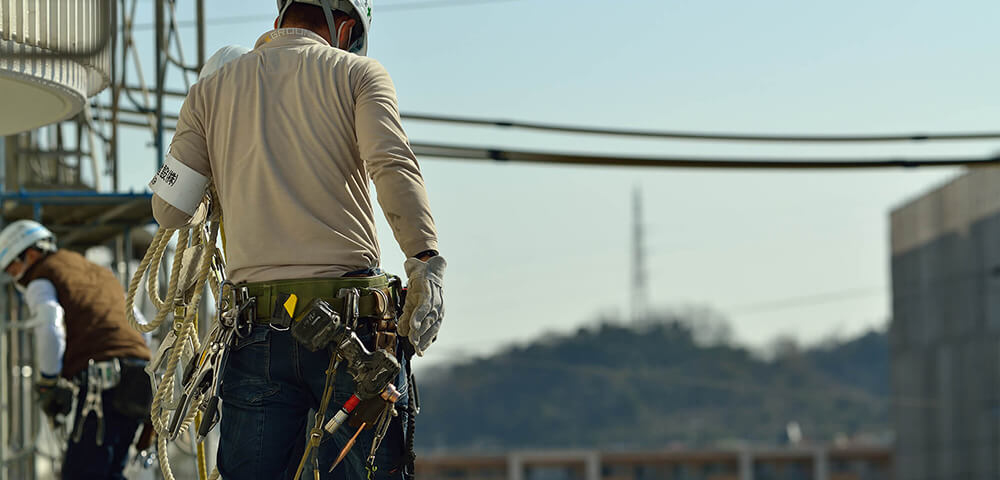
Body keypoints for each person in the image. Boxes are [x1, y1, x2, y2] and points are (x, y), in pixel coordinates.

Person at [148, 0, 446, 478]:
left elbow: (168, 209)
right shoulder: (358, 74)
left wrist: (215, 171)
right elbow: (392, 166)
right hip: (353, 333)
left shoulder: (208, 91)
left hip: (255, 331)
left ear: (278, 22)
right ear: (346, 27)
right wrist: (425, 260)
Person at [0, 220, 152, 480]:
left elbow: (50, 324)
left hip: (105, 385)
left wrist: (49, 380)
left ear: (32, 254)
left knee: (81, 473)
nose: (15, 276)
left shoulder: (42, 276)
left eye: (13, 267)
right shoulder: (99, 273)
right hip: (141, 378)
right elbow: (141, 327)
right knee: (111, 469)